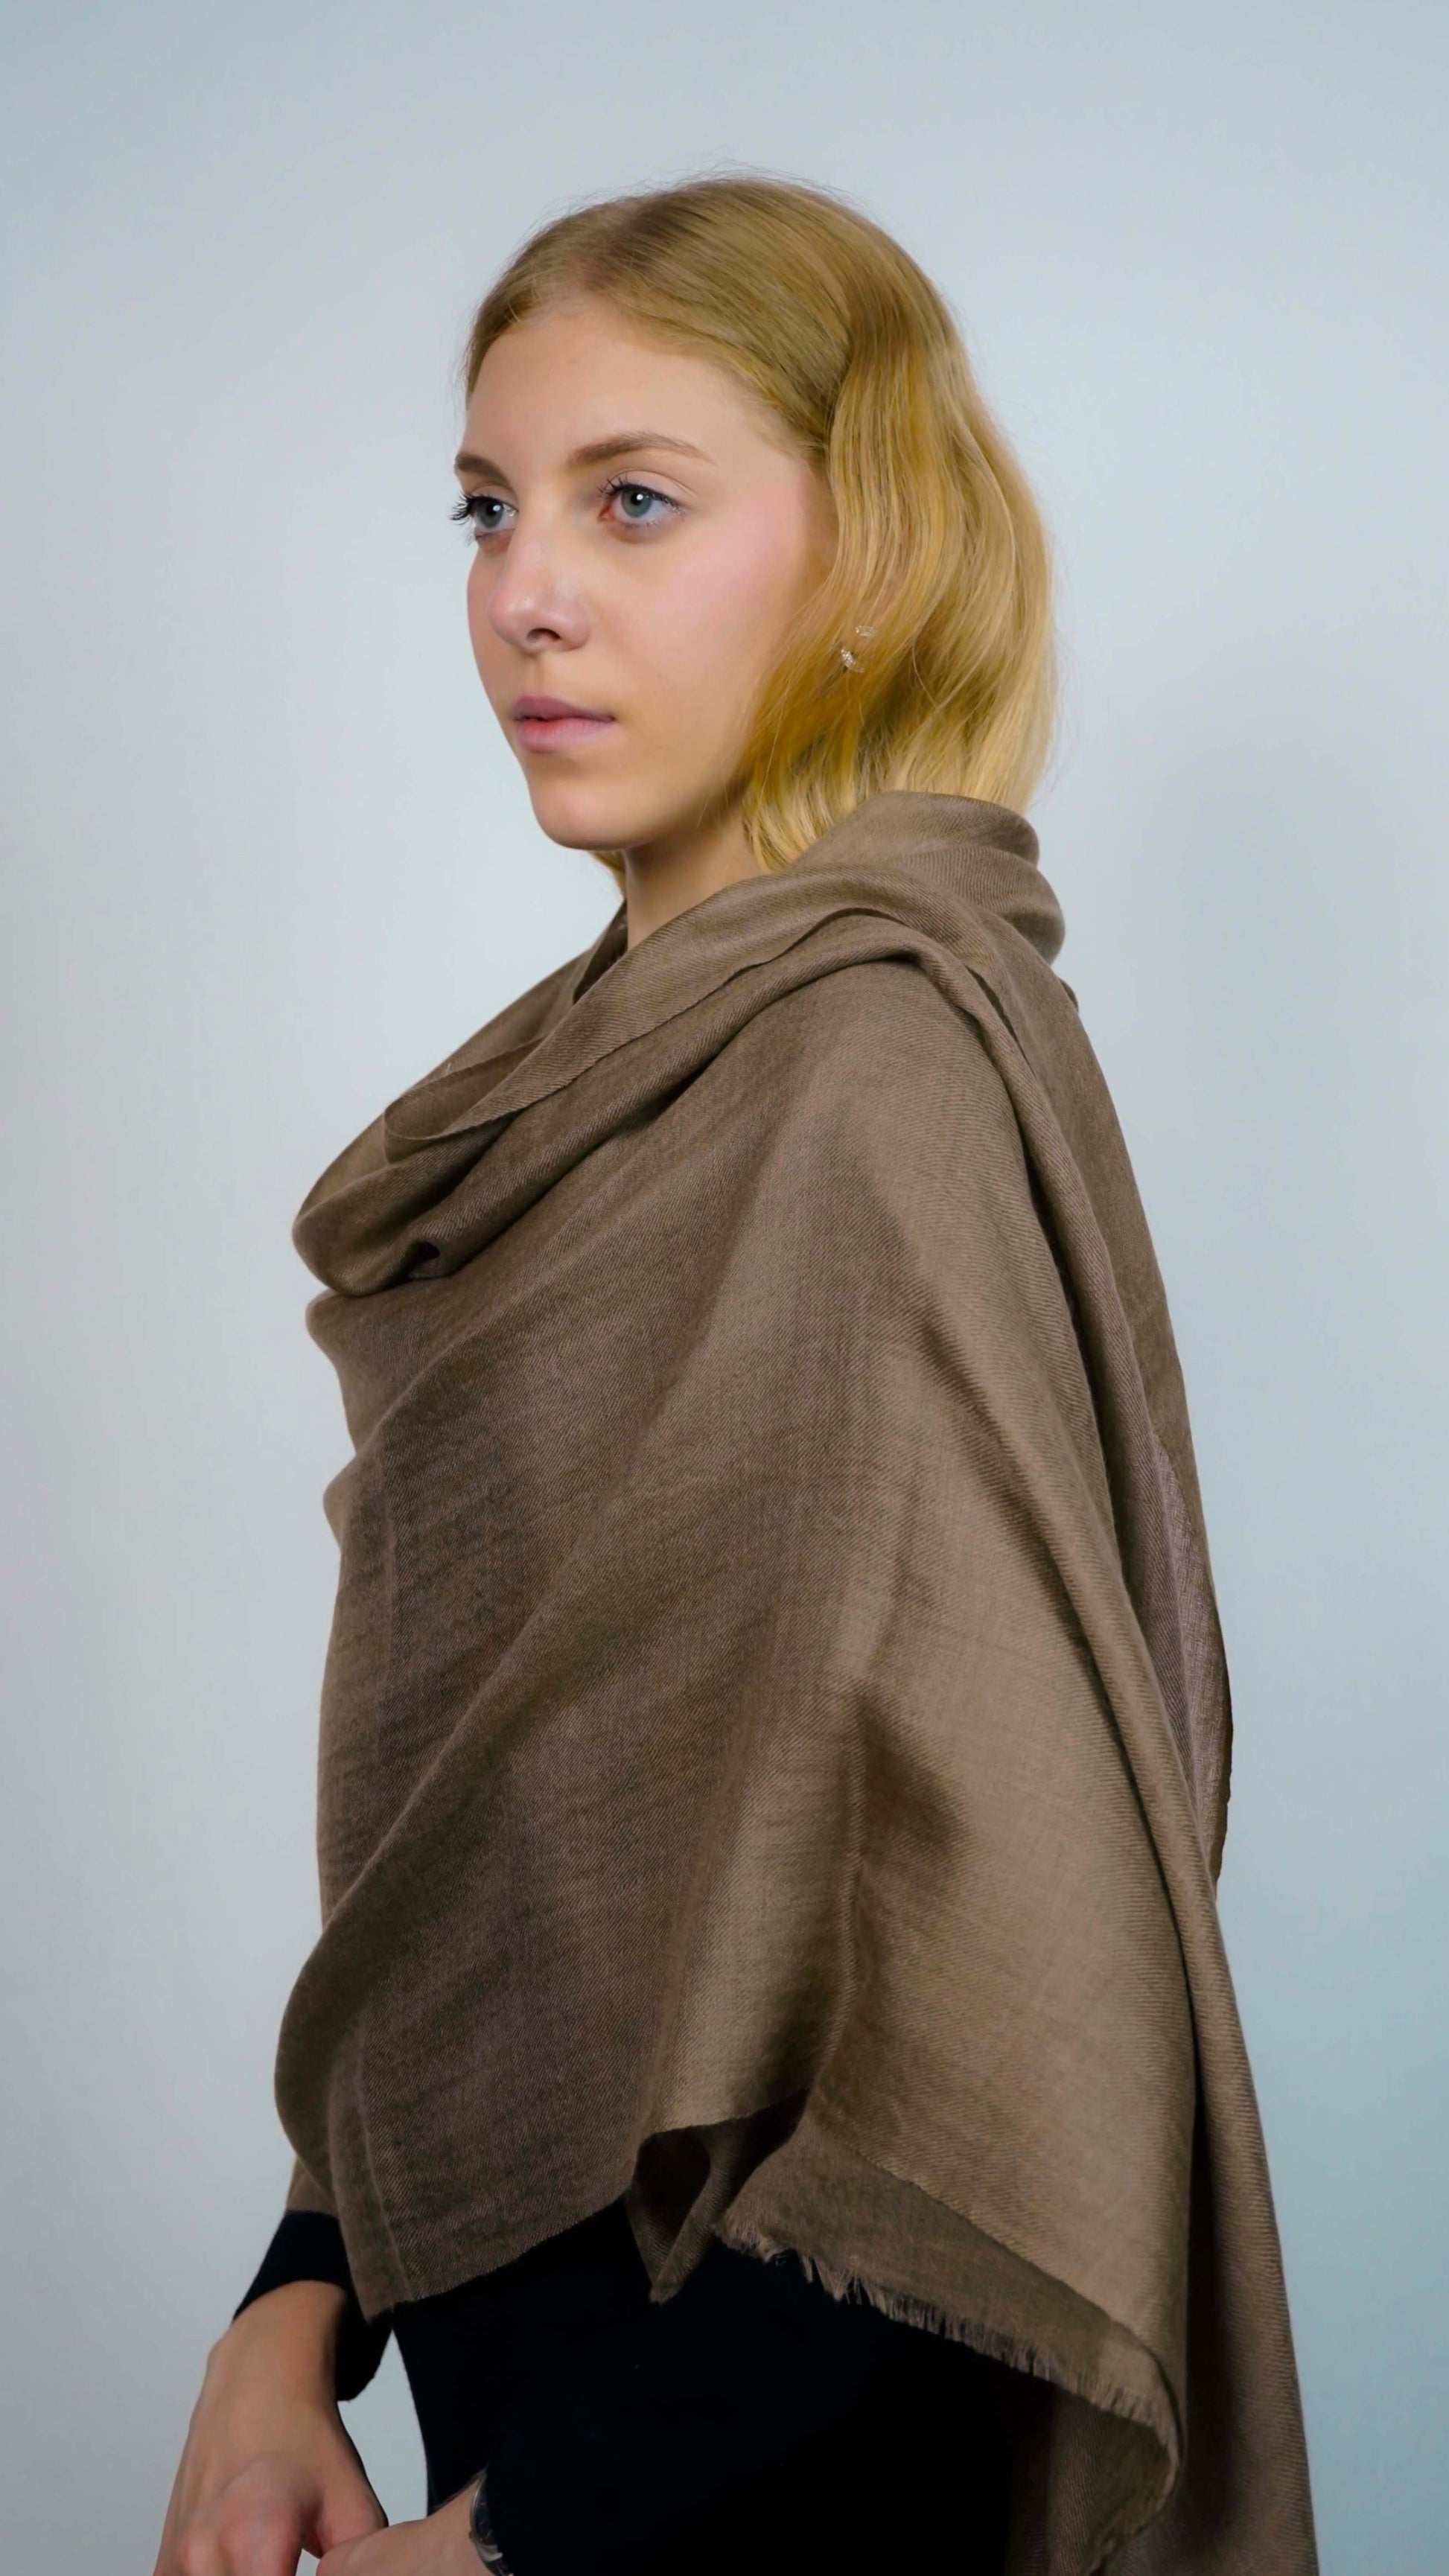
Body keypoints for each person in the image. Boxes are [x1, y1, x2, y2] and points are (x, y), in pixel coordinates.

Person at [153, 175, 1318, 2576]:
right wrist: (289, 2309)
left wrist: (520, 2534)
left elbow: (992, 2014)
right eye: (486, 507)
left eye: (632, 502)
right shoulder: (570, 1093)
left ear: (867, 555)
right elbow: (510, 1851)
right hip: (504, 2396)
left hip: (759, 2477)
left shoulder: (872, 1084)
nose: (523, 592)